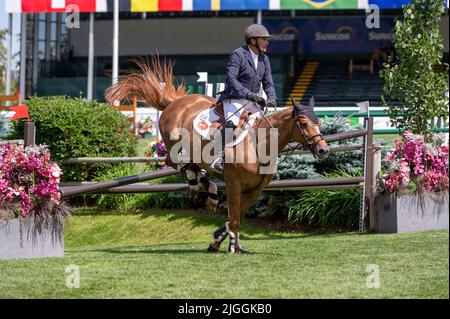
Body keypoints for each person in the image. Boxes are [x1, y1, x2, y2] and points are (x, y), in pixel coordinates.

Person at [211, 23, 278, 172]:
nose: (267, 42)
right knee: (233, 122)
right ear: (253, 41)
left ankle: (269, 164)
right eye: (264, 39)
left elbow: (268, 82)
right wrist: (247, 94)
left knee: (267, 127)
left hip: (253, 101)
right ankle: (218, 156)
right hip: (234, 98)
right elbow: (231, 78)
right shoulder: (238, 54)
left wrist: (272, 98)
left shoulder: (264, 59)